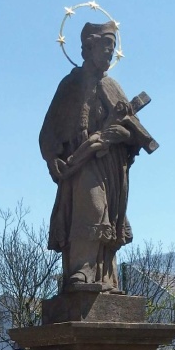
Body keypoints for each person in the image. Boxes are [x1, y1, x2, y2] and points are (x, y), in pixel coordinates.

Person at [39, 20, 155, 294]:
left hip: (112, 165)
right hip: (81, 163)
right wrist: (51, 157)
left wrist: (119, 135)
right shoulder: (70, 85)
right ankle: (81, 271)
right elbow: (49, 128)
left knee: (109, 214)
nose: (110, 54)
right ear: (88, 48)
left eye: (113, 48)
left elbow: (133, 133)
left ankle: (105, 278)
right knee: (90, 208)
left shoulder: (113, 86)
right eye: (105, 47)